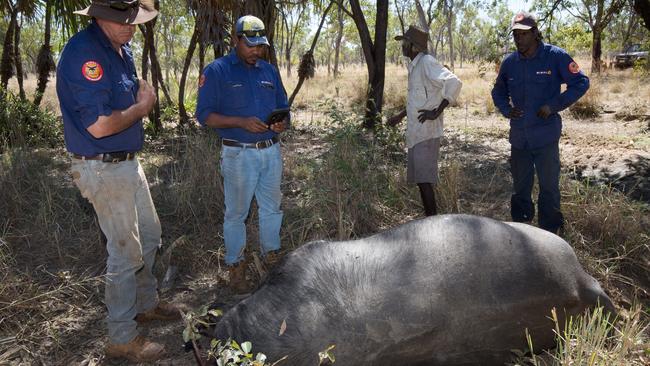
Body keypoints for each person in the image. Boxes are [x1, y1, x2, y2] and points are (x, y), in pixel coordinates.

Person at [56, 1, 185, 362]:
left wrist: (138, 102)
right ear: (99, 17)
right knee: (124, 253)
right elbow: (98, 126)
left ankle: (146, 305)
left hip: (127, 164)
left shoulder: (121, 50)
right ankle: (122, 336)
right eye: (122, 20)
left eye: (134, 20)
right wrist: (143, 107)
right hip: (102, 168)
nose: (130, 26)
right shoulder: (85, 53)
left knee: (149, 235)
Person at [195, 15, 289, 294]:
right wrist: (240, 122)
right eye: (250, 45)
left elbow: (284, 106)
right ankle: (236, 267)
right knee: (236, 213)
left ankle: (272, 258)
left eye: (260, 46)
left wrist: (282, 123)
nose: (256, 51)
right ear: (236, 40)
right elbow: (204, 116)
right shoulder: (217, 71)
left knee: (272, 207)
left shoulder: (269, 71)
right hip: (239, 155)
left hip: (270, 152)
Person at [491, 12, 589, 235]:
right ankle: (523, 234)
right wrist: (507, 110)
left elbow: (581, 82)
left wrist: (553, 106)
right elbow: (497, 90)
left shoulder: (555, 57)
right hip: (519, 140)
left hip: (545, 138)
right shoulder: (510, 63)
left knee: (549, 189)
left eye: (523, 34)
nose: (518, 39)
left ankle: (551, 234)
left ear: (535, 33)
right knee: (521, 189)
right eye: (515, 34)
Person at [387, 25, 462, 216]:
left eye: (405, 42)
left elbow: (454, 82)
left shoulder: (427, 62)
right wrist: (400, 116)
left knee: (425, 182)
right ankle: (430, 222)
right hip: (417, 133)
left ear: (413, 46)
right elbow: (419, 101)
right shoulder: (415, 67)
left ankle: (433, 224)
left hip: (427, 134)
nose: (402, 45)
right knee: (421, 181)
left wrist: (437, 111)